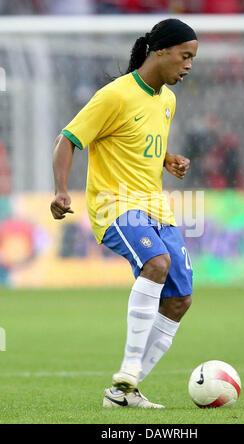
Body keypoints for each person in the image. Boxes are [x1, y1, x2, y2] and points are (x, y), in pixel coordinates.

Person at [50, 18, 198, 409]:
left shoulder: (167, 100)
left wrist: (167, 159)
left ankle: (123, 393)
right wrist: (62, 190)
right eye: (184, 56)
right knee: (157, 262)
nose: (187, 65)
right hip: (114, 204)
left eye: (192, 59)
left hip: (155, 207)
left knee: (181, 297)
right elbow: (67, 140)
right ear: (160, 50)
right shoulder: (114, 95)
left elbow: (137, 142)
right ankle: (128, 371)